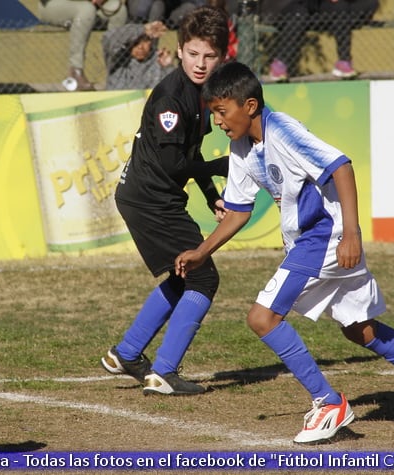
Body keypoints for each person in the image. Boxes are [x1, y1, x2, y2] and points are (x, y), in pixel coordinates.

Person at [175, 61, 394, 442]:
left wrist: (352, 232)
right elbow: (238, 211)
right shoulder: (241, 148)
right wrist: (202, 251)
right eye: (213, 112)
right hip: (318, 242)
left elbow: (341, 167)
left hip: (325, 239)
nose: (217, 120)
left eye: (221, 110)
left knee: (262, 318)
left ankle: (329, 403)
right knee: (358, 329)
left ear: (249, 106)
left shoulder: (283, 130)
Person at [101, 5, 231, 396]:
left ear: (221, 56)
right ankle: (165, 371)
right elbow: (178, 165)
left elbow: (190, 152)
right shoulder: (172, 99)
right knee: (203, 275)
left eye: (209, 55)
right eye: (193, 54)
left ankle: (127, 353)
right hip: (149, 200)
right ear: (178, 51)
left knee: (184, 273)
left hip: (154, 197)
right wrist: (222, 167)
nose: (200, 63)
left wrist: (211, 196)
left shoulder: (201, 93)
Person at [259, 0, 376, 80]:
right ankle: (280, 63)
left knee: (341, 7)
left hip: (315, 8)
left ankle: (344, 62)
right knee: (299, 14)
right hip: (289, 6)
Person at [37, 0, 128, 91]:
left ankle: (116, 70)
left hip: (90, 6)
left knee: (119, 10)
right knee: (87, 9)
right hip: (53, 5)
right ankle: (75, 71)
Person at [101, 20, 176, 90]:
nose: (140, 47)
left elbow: (173, 89)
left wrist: (168, 67)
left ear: (151, 42)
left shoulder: (158, 60)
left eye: (145, 41)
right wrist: (143, 29)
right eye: (136, 42)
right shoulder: (118, 60)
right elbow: (108, 39)